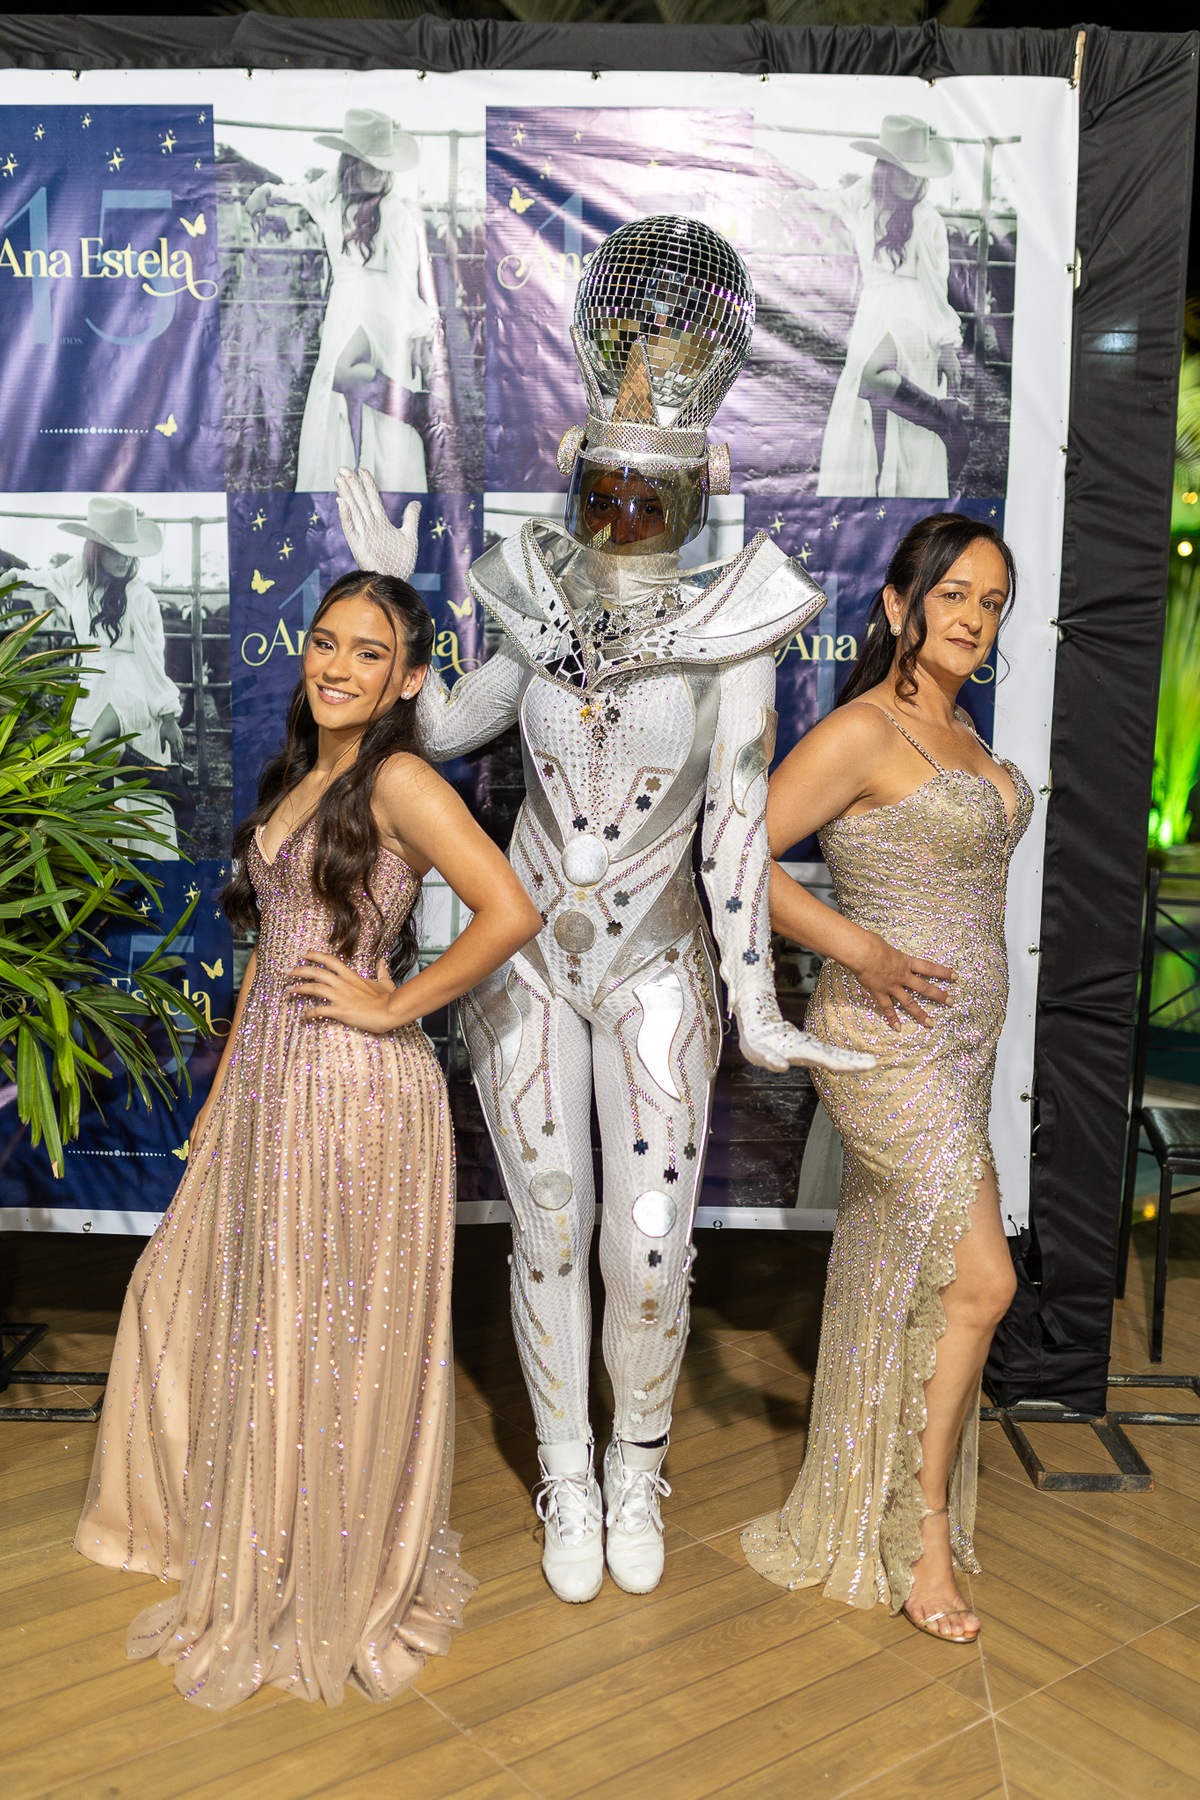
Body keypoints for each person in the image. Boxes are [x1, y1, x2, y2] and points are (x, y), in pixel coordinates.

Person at [336, 214, 873, 1611]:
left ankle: (638, 1465)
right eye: (603, 494)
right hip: (525, 966)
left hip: (654, 970)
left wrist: (758, 1004)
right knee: (548, 1224)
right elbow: (439, 733)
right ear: (577, 485)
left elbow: (739, 828)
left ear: (690, 498)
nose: (620, 518)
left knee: (644, 1241)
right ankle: (565, 1473)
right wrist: (395, 600)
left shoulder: (735, 628)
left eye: (647, 499)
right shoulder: (533, 612)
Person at [74, 570, 542, 1710]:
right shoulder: (304, 772)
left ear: (411, 678)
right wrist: (224, 1091)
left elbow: (513, 910)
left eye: (368, 653)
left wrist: (392, 1004)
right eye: (326, 642)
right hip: (269, 1083)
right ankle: (230, 1523)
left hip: (351, 1090)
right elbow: (273, 952)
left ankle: (311, 1557)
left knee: (313, 1325)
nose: (337, 666)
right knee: (196, 1293)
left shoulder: (402, 779)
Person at [741, 512, 1031, 1643]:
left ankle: (863, 1506)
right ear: (900, 605)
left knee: (906, 1271)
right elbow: (735, 857)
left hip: (963, 1049)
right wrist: (858, 948)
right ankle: (922, 1537)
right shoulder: (865, 730)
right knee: (983, 1282)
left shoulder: (961, 731)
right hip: (885, 1044)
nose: (974, 618)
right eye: (954, 594)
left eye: (992, 602)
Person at [244, 109, 437, 489]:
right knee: (346, 403)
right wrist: (264, 191)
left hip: (382, 303)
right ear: (351, 163)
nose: (379, 174)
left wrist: (419, 333)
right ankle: (355, 480)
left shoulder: (393, 211)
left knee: (343, 372)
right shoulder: (329, 195)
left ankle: (416, 410)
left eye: (384, 166)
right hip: (344, 302)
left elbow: (406, 277)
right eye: (370, 164)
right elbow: (295, 192)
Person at [8, 496, 183, 856]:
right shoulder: (76, 578)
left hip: (131, 682)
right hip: (93, 679)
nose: (124, 559)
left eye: (128, 551)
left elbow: (153, 658)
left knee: (93, 744)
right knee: (84, 756)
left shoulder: (139, 596)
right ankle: (107, 836)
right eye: (115, 550)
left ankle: (153, 787)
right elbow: (43, 578)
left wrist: (167, 714)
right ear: (96, 550)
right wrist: (15, 577)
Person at [812, 115, 968, 499]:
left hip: (913, 312)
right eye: (903, 169)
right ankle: (879, 493)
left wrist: (947, 343)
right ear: (885, 168)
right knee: (871, 414)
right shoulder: (865, 201)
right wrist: (795, 196)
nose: (913, 180)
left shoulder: (926, 218)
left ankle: (942, 417)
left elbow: (936, 283)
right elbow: (830, 202)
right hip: (874, 309)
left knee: (872, 376)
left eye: (918, 172)